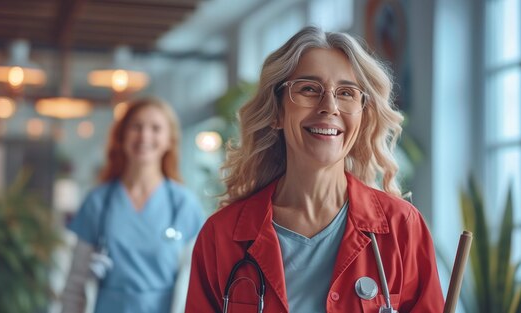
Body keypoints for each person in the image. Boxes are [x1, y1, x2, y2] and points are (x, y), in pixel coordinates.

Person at [185, 26, 444, 313]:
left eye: (346, 93)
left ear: (362, 116)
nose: (329, 106)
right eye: (309, 89)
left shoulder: (402, 228)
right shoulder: (220, 237)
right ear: (277, 112)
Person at [61, 96, 205, 313]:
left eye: (155, 128)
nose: (144, 136)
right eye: (136, 127)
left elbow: (197, 284)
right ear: (121, 136)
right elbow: (76, 283)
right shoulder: (98, 201)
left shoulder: (183, 204)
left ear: (169, 140)